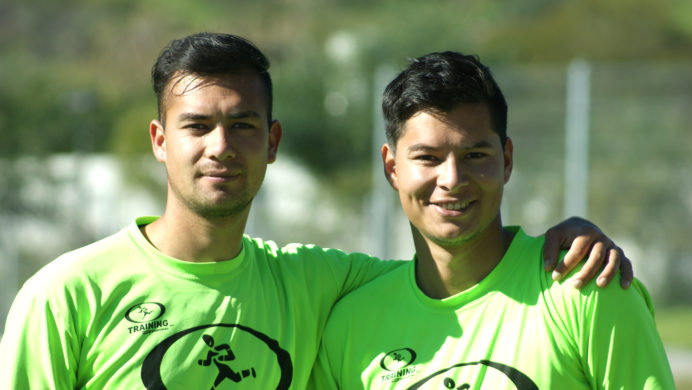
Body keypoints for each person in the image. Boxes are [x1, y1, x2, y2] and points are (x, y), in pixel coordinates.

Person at [0, 33, 632, 389]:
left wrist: (569, 237)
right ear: (160, 141)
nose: (221, 146)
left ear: (271, 143)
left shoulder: (319, 286)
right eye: (197, 126)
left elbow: (453, 269)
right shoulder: (64, 296)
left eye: (244, 125)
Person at [309, 52, 675, 389]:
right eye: (428, 157)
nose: (452, 179)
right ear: (392, 168)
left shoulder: (585, 289)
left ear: (507, 160)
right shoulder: (350, 326)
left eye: (474, 154)